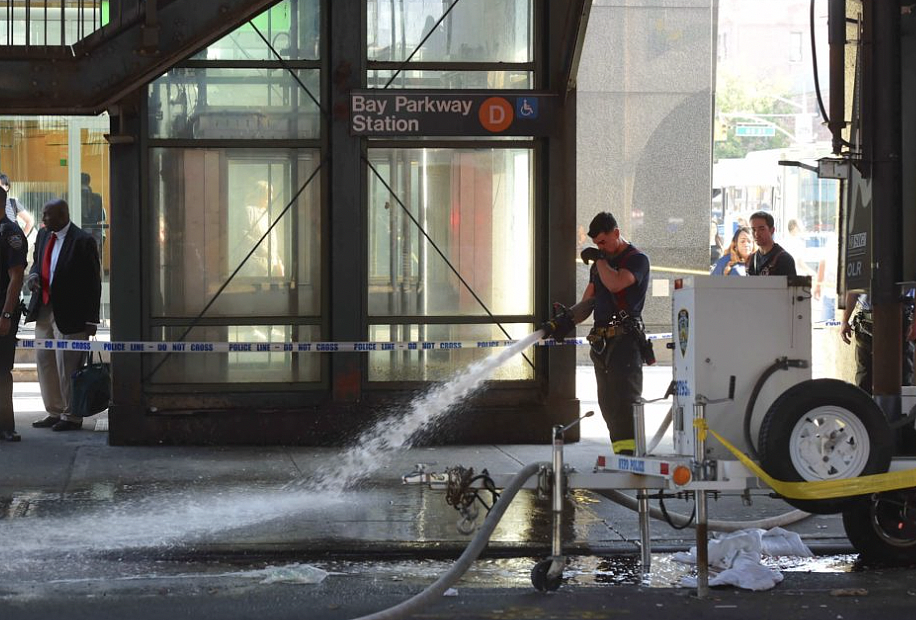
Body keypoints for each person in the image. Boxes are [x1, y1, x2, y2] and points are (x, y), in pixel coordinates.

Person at [541, 212, 651, 455]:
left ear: (616, 233)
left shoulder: (637, 260)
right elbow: (588, 302)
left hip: (625, 342)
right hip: (602, 344)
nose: (600, 247)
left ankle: (631, 458)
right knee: (608, 405)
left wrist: (600, 259)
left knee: (625, 403)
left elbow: (616, 284)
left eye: (603, 241)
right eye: (596, 243)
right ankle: (621, 455)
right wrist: (563, 322)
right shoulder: (600, 265)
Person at [26, 199, 101, 432]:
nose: (43, 218)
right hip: (44, 309)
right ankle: (54, 410)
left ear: (62, 215)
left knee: (67, 365)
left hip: (72, 314)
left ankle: (72, 415)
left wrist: (91, 320)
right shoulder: (43, 236)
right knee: (45, 361)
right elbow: (37, 264)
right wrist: (34, 276)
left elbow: (93, 283)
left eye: (47, 215)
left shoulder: (83, 241)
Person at [840, 292, 915, 393]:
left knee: (901, 376)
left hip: (901, 322)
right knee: (864, 378)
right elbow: (852, 291)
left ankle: (901, 408)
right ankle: (865, 407)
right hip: (868, 323)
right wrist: (845, 321)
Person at [0, 185, 27, 442]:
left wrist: (6, 315)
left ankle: (6, 426)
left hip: (2, 312)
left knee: (1, 371)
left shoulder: (10, 233)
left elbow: (16, 277)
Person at [746, 211, 797, 276]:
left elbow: (791, 285)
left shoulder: (784, 259)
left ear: (772, 230)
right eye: (753, 230)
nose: (756, 234)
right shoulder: (752, 259)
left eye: (761, 229)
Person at [80, 173, 106, 258]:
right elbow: (100, 217)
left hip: (80, 230)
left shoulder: (70, 195)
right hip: (94, 231)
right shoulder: (97, 197)